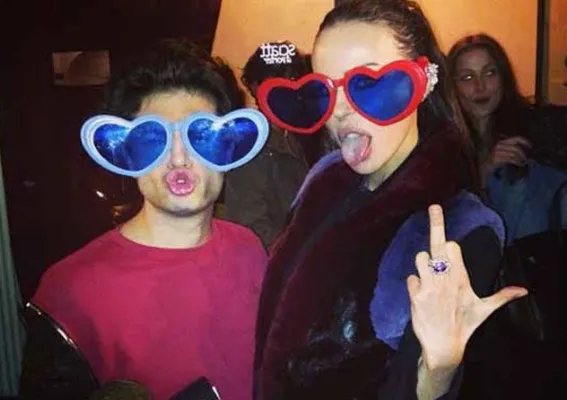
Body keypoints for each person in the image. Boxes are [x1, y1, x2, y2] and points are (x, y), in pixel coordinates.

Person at [253, 1, 527, 399]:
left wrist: (437, 371)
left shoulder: (461, 229)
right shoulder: (322, 180)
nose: (340, 110)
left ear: (424, 81)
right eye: (324, 89)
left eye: (369, 84)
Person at [19, 40, 268, 400]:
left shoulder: (249, 250)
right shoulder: (71, 291)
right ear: (127, 153)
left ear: (228, 147)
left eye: (201, 136)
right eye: (153, 139)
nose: (179, 158)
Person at [448, 33, 567, 243]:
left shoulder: (536, 128)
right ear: (452, 86)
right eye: (467, 77)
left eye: (489, 73)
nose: (480, 86)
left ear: (503, 77)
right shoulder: (441, 144)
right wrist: (482, 171)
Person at [224, 42, 312, 248]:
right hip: (277, 261)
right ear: (256, 87)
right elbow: (249, 228)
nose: (288, 88)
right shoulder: (251, 144)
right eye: (277, 80)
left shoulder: (298, 135)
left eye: (293, 79)